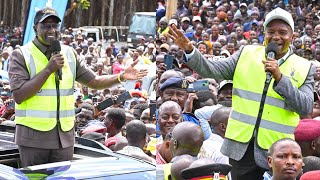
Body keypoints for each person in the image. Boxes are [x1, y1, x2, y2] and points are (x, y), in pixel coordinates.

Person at [167, 7, 315, 179]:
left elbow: (305, 107)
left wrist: (280, 78)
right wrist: (190, 50)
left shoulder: (305, 67)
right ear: (264, 34)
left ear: (293, 36)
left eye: (282, 32)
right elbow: (212, 70)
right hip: (240, 148)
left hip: (278, 151)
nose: (276, 37)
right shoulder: (246, 54)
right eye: (271, 32)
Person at [9, 7, 147, 167]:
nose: (52, 30)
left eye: (55, 25)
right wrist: (48, 70)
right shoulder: (21, 55)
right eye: (46, 25)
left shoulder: (69, 53)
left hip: (64, 138)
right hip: (33, 139)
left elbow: (94, 81)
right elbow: (19, 95)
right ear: (35, 28)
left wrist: (120, 76)